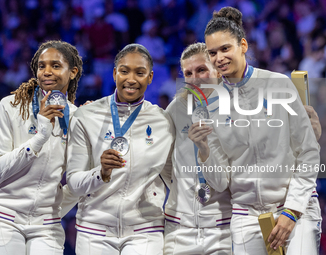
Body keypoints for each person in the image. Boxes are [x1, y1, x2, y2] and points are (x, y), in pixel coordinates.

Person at [196, 6, 321, 255]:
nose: (218, 58)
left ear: (243, 45)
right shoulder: (209, 107)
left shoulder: (278, 85)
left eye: (225, 49)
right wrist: (204, 150)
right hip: (246, 216)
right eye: (212, 52)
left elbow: (308, 153)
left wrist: (292, 210)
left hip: (297, 207)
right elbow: (219, 182)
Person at [66, 43, 174, 255]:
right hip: (94, 230)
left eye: (140, 73)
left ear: (150, 77)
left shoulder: (163, 121)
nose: (131, 79)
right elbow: (74, 183)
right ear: (115, 73)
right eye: (124, 71)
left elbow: (174, 178)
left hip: (145, 229)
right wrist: (101, 172)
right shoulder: (86, 116)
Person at [0, 40, 83, 255]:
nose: (47, 72)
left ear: (73, 72)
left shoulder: (78, 118)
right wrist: (39, 138)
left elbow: (77, 182)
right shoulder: (10, 106)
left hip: (46, 224)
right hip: (2, 215)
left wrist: (54, 211)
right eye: (41, 66)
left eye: (55, 66)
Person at [163, 42, 232, 254]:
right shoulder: (176, 108)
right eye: (188, 73)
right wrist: (179, 187)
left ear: (218, 72)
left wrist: (204, 150)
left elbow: (221, 183)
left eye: (201, 70)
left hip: (221, 229)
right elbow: (165, 163)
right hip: (179, 228)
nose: (194, 78)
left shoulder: (234, 112)